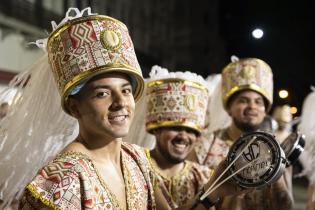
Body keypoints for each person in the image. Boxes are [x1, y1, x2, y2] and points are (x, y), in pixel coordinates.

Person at [0, 7, 246, 210]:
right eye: (102, 93)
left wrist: (215, 190)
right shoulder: (61, 181)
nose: (120, 102)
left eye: (126, 90)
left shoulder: (136, 159)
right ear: (74, 107)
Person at [189, 57, 294, 210]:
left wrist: (277, 172)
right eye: (243, 100)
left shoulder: (277, 150)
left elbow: (286, 206)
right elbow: (189, 200)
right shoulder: (202, 147)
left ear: (265, 110)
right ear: (229, 108)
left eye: (258, 102)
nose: (252, 106)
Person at [142, 66, 213, 208]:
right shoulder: (137, 167)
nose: (183, 136)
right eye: (175, 127)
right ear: (156, 129)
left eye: (190, 130)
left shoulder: (204, 177)